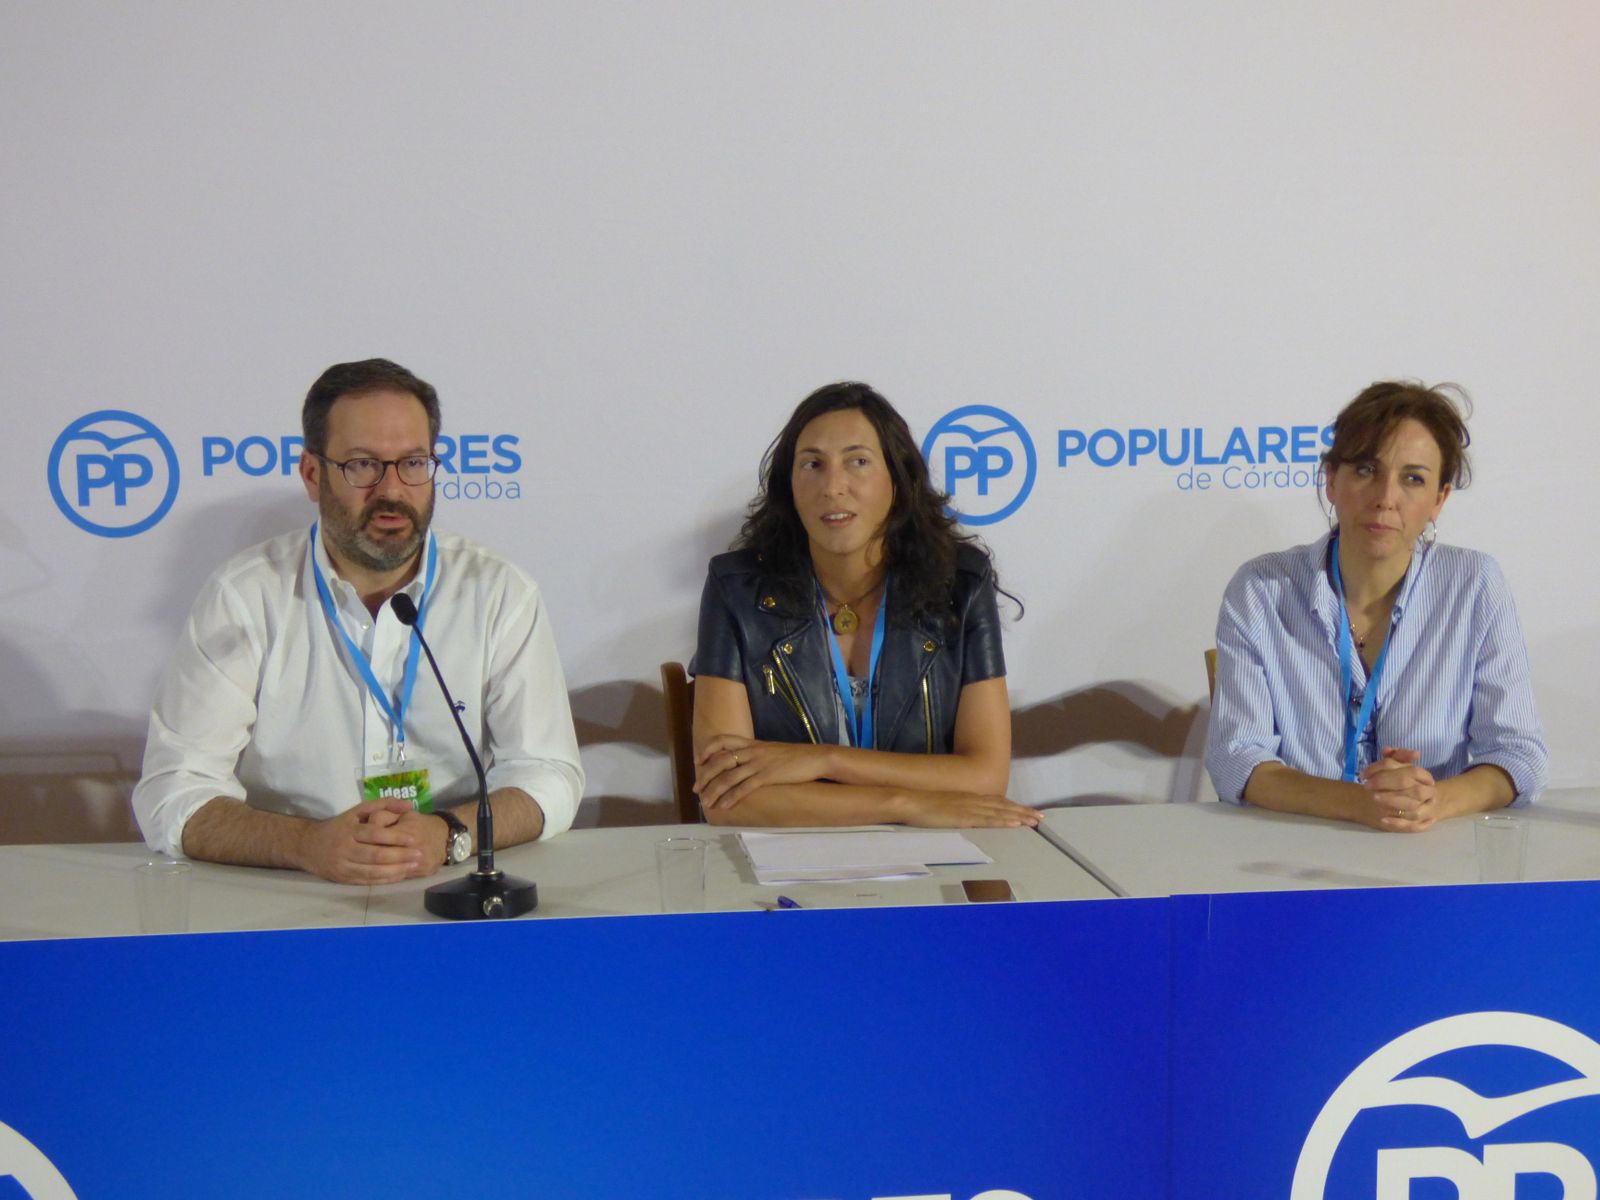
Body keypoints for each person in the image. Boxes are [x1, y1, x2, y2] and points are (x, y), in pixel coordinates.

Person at [132, 359, 584, 882]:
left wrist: (448, 835)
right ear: (311, 474)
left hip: (448, 887)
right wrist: (306, 845)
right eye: (362, 465)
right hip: (285, 890)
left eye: (412, 463)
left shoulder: (498, 592)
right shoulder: (244, 594)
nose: (391, 490)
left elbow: (549, 774)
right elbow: (174, 791)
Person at [689, 381, 1037, 828]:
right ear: (788, 486)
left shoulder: (961, 582)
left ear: (898, 478)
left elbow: (985, 777)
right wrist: (906, 805)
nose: (833, 487)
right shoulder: (737, 588)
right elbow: (725, 798)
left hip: (933, 861)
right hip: (786, 863)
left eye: (858, 462)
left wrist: (826, 761)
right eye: (812, 464)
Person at [1205, 381, 1548, 831]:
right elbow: (1238, 760)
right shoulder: (1262, 589)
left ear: (1439, 500)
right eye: (1367, 470)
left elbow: (1517, 755)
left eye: (1413, 479)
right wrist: (1359, 803)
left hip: (1434, 854)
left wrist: (1431, 799)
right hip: (1290, 852)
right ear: (1331, 480)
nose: (1386, 497)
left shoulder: (1475, 585)